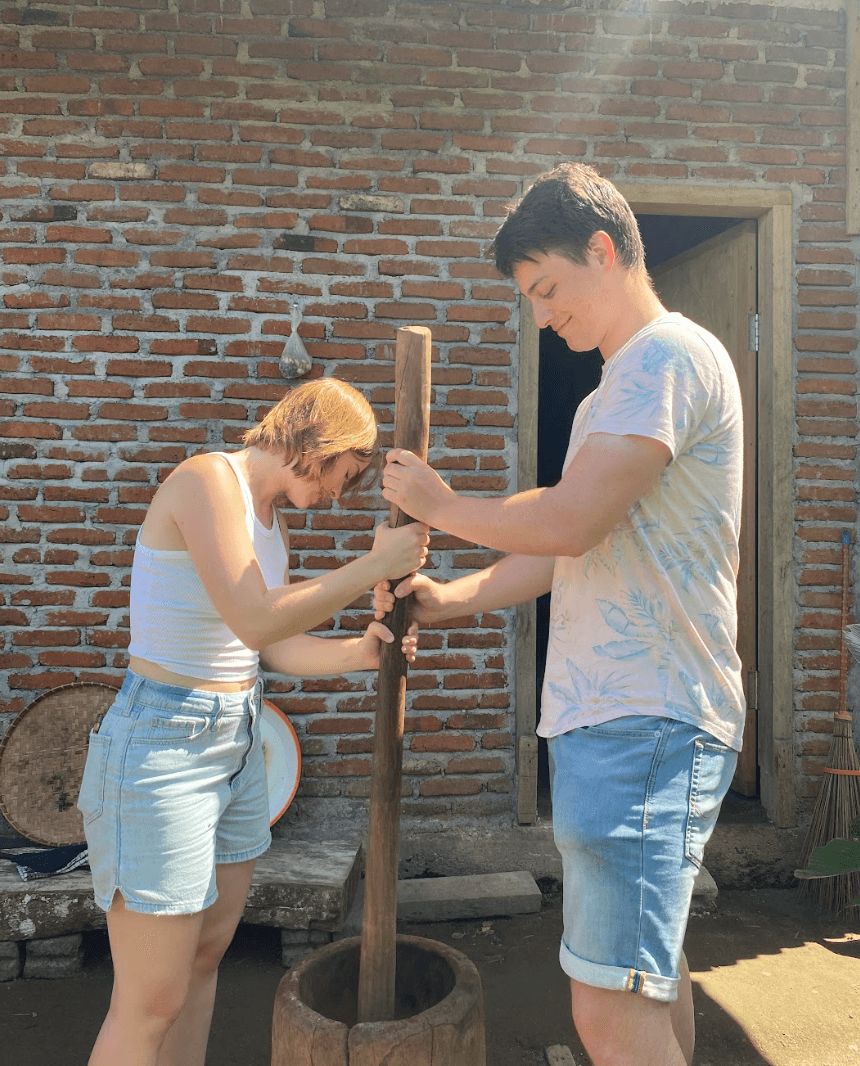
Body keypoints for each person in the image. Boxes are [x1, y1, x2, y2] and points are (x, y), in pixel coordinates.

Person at [375, 162, 745, 1066]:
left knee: (609, 1014)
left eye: (547, 289)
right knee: (643, 985)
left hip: (647, 717)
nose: (543, 316)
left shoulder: (665, 355)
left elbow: (571, 516)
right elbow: (564, 546)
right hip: (618, 716)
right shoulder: (608, 393)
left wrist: (436, 503)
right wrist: (450, 596)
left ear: (604, 249)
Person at [77, 377, 429, 1066]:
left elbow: (269, 647)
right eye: (343, 475)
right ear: (318, 443)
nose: (338, 495)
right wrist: (372, 566)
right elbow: (255, 615)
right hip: (163, 746)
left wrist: (361, 652)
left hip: (235, 740)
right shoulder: (206, 482)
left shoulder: (273, 527)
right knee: (148, 1000)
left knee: (205, 958)